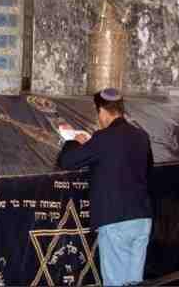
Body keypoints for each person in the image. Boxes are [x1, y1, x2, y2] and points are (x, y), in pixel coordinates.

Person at [57, 88, 153, 286]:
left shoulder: (103, 138)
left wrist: (73, 142)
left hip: (116, 220)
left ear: (101, 111)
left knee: (115, 282)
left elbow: (67, 161)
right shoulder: (141, 136)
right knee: (134, 282)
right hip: (142, 220)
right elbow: (147, 169)